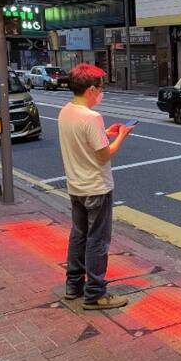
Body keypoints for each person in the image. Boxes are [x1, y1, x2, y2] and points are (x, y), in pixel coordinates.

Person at [58, 64, 134, 310]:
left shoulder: (66, 112)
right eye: (101, 88)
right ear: (91, 89)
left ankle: (73, 286)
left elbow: (85, 143)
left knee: (78, 236)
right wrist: (122, 135)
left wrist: (106, 133)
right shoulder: (92, 118)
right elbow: (103, 157)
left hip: (76, 187)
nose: (102, 92)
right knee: (97, 241)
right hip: (97, 188)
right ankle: (95, 294)